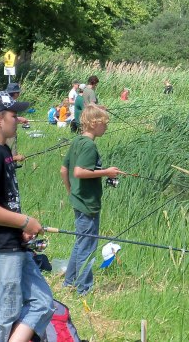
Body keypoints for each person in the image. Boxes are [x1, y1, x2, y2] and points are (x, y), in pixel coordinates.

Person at [0, 93, 54, 342]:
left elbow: (2, 203)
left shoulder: (2, 149)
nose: (19, 120)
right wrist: (24, 221)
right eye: (14, 115)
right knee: (2, 316)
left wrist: (21, 229)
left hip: (13, 241)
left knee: (42, 303)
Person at [60, 104, 123, 296]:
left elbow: (64, 170)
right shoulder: (89, 145)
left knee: (81, 242)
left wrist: (70, 192)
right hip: (88, 203)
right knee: (88, 247)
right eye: (105, 124)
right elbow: (79, 172)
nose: (107, 127)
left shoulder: (77, 141)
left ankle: (69, 282)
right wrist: (107, 172)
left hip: (79, 200)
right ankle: (84, 289)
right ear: (94, 124)